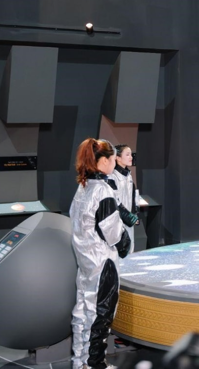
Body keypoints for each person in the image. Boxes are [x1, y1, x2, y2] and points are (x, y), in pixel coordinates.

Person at [70, 138, 134, 369]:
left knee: (82, 311)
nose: (114, 163)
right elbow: (113, 232)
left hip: (85, 262)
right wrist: (125, 245)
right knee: (101, 314)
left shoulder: (83, 187)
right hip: (102, 262)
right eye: (113, 158)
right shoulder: (103, 190)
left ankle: (81, 362)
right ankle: (95, 364)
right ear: (105, 160)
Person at [111, 144, 141, 257]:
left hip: (129, 221)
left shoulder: (128, 175)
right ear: (118, 158)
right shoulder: (113, 176)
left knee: (130, 249)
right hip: (119, 221)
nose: (131, 157)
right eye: (127, 154)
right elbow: (115, 202)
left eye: (131, 154)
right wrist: (129, 217)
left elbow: (134, 196)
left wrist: (135, 213)